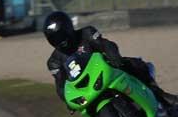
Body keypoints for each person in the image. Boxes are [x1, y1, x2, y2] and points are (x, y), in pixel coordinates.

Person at [43, 11, 178, 108]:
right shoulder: (54, 62)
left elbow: (106, 44)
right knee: (84, 112)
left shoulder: (86, 33)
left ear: (68, 28)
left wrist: (115, 58)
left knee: (133, 64)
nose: (59, 41)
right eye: (54, 38)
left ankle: (159, 95)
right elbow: (60, 85)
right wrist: (67, 101)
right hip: (88, 90)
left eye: (61, 35)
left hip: (111, 70)